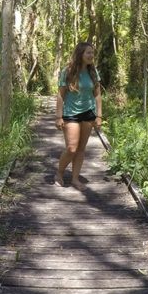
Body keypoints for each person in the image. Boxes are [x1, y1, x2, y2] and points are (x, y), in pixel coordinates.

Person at [54, 42, 102, 190]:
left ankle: (75, 179)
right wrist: (58, 117)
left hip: (88, 113)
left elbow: (98, 95)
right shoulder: (67, 71)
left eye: (92, 53)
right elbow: (61, 95)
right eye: (88, 53)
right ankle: (59, 174)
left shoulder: (93, 72)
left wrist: (99, 116)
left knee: (81, 148)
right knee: (71, 148)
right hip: (70, 113)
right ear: (80, 54)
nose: (91, 56)